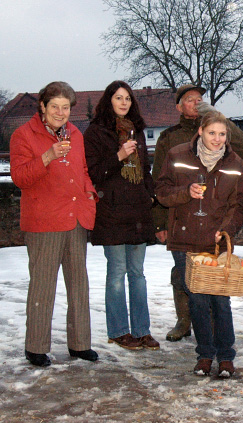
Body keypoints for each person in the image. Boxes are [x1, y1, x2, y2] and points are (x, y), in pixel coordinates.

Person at [151, 84, 243, 342]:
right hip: (181, 223)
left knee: (212, 279)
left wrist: (218, 117)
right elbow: (159, 184)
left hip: (213, 224)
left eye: (200, 100)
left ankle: (208, 329)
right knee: (183, 276)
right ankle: (184, 320)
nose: (196, 103)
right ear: (178, 107)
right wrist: (160, 222)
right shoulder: (169, 138)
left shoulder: (218, 131)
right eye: (189, 100)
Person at [10, 81, 98, 366]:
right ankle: (35, 347)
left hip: (75, 219)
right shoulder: (23, 135)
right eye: (55, 107)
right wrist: (47, 157)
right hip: (44, 222)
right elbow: (20, 178)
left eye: (66, 107)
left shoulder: (75, 133)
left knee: (78, 286)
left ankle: (80, 344)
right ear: (42, 108)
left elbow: (82, 169)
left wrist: (89, 194)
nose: (61, 113)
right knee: (43, 287)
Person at [84, 81, 159, 351]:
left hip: (138, 210)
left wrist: (149, 194)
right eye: (119, 98)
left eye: (128, 98)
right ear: (109, 101)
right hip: (112, 211)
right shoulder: (95, 132)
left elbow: (146, 168)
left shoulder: (137, 130)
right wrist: (119, 155)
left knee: (137, 273)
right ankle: (118, 331)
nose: (124, 102)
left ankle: (142, 331)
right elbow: (94, 173)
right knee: (116, 272)